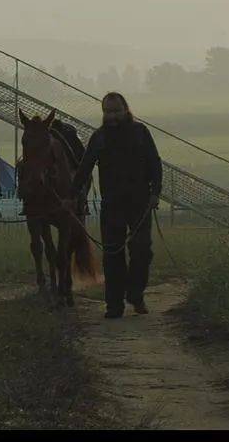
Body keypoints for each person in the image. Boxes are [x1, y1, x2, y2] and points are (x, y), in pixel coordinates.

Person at [71, 92, 162, 318]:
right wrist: (71, 195)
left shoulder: (141, 133)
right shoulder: (99, 137)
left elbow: (155, 163)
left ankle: (135, 293)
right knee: (113, 254)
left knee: (142, 251)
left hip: (140, 202)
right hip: (112, 204)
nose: (111, 116)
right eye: (107, 111)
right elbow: (84, 169)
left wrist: (155, 193)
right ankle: (114, 305)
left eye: (115, 111)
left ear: (126, 110)